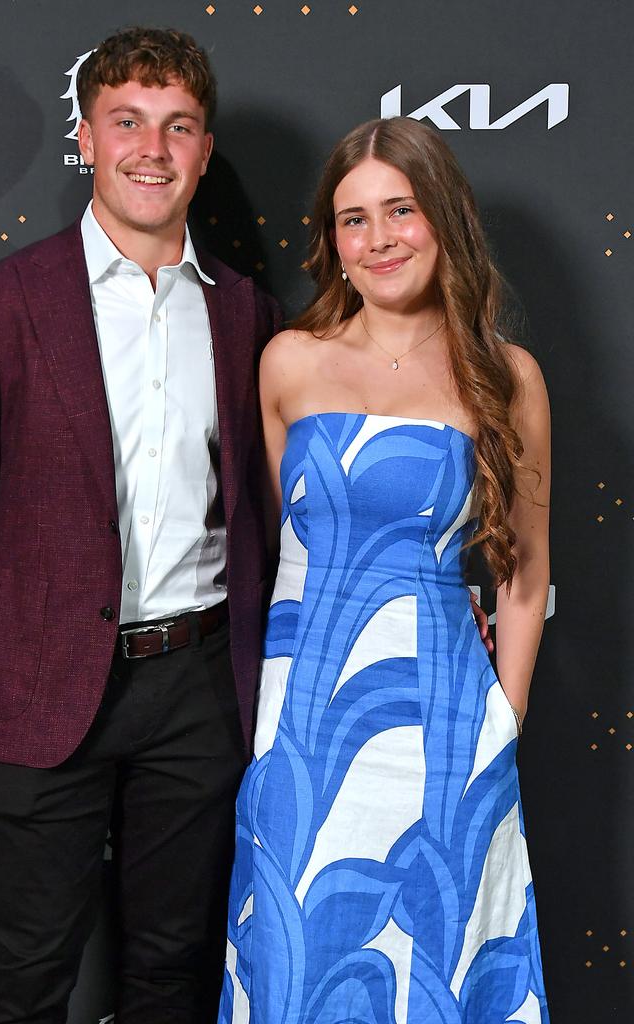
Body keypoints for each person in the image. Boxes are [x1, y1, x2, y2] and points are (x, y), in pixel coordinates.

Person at [0, 27, 281, 1024]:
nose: (152, 150)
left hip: (200, 686)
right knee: (26, 977)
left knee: (173, 966)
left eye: (178, 126)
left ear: (202, 148)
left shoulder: (247, 314)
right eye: (128, 123)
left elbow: (276, 512)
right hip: (39, 682)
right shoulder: (0, 302)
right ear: (87, 138)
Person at [220, 117, 551, 1024]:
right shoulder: (288, 362)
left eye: (400, 210)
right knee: (297, 959)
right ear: (332, 241)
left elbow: (525, 570)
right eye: (352, 219)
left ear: (442, 218)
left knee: (436, 961)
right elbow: (275, 546)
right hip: (303, 730)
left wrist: (503, 717)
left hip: (444, 728)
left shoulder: (506, 377)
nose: (378, 239)